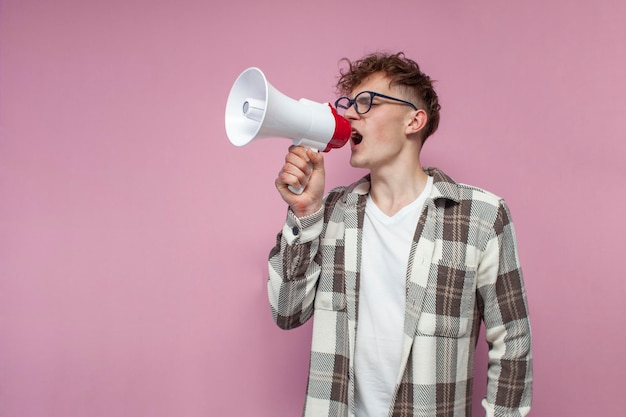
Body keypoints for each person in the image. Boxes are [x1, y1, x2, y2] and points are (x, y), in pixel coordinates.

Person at [267, 52, 532, 417]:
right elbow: (286, 312)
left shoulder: (482, 217)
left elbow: (512, 343)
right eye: (347, 104)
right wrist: (304, 214)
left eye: (366, 103)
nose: (348, 115)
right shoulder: (327, 213)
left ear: (414, 120)